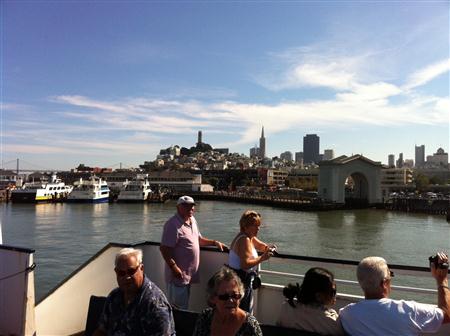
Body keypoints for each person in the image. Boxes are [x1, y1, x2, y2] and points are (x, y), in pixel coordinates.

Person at [339, 252, 450, 336]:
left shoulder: (347, 314)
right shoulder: (409, 310)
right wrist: (442, 279)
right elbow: (446, 316)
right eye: (390, 274)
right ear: (384, 283)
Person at [160, 195, 226, 309]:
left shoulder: (192, 220)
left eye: (192, 206)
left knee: (184, 306)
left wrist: (215, 242)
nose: (190, 208)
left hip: (188, 276)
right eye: (186, 206)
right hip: (177, 276)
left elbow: (198, 240)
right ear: (178, 207)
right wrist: (174, 268)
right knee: (178, 309)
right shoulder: (172, 225)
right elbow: (164, 249)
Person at [94, 248, 175, 336]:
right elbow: (101, 331)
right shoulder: (114, 296)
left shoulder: (155, 303)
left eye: (131, 271)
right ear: (116, 272)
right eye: (121, 273)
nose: (127, 277)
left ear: (142, 268)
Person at [228, 210, 276, 312]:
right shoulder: (244, 240)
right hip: (241, 282)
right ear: (245, 226)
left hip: (241, 281)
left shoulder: (249, 237)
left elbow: (261, 246)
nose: (258, 228)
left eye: (259, 225)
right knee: (243, 313)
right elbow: (245, 264)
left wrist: (269, 248)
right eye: (255, 225)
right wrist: (262, 258)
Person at [193, 266, 262, 336]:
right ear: (213, 298)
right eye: (224, 296)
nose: (231, 300)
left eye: (235, 295)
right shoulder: (205, 317)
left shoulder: (249, 324)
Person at [276, 267, 345, 335]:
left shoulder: (287, 307)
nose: (335, 294)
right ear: (318, 296)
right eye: (333, 291)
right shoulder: (332, 322)